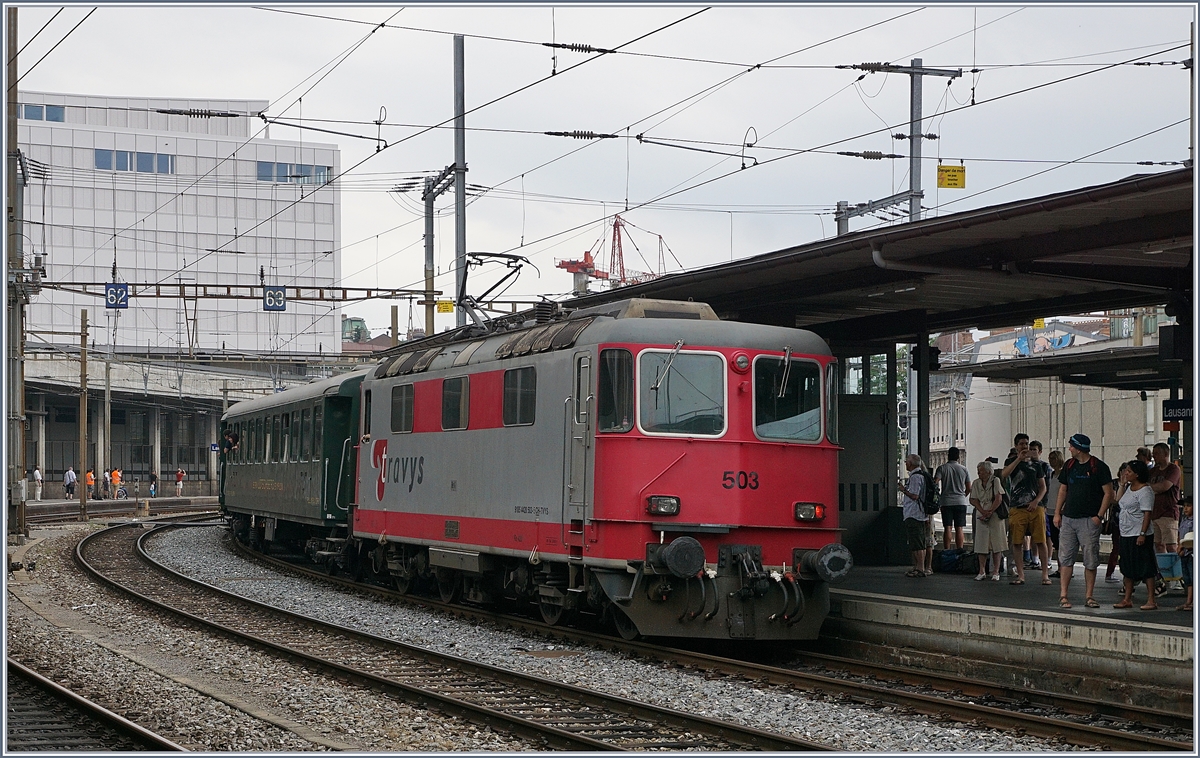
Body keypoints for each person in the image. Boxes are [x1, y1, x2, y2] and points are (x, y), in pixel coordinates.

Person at [1053, 433, 1114, 609]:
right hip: (1069, 518)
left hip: (1089, 519)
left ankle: (1089, 595)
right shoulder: (1069, 465)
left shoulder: (1099, 467)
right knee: (1066, 557)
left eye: (1072, 446)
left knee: (1090, 558)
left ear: (1079, 448)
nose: (1069, 449)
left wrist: (1099, 516)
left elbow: (1108, 493)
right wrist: (1057, 513)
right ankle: (1063, 595)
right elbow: (1063, 490)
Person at [1002, 434, 1049, 585]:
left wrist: (1036, 501)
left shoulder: (1036, 464)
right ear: (1016, 446)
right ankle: (1020, 575)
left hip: (1035, 507)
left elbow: (1043, 486)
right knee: (1017, 542)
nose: (1024, 446)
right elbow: (1004, 474)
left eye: (1026, 443)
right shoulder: (1011, 461)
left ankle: (1045, 575)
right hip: (1017, 506)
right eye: (1021, 444)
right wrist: (1018, 459)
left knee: (1040, 540)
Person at [1112, 460, 1158, 610]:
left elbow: (1147, 514)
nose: (1126, 473)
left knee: (1146, 566)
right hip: (1126, 532)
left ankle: (1151, 599)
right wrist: (1122, 485)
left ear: (1137, 474)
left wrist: (1142, 533)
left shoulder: (1145, 491)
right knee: (1127, 566)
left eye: (1129, 471)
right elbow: (1118, 501)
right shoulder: (1129, 488)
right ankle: (1127, 598)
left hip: (1138, 532)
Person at [970, 460, 1007, 581]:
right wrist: (982, 511)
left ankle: (996, 571)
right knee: (981, 544)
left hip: (995, 514)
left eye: (981, 471)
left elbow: (998, 498)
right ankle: (982, 571)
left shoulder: (995, 481)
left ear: (988, 472)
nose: (979, 473)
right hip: (981, 512)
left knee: (997, 544)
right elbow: (973, 499)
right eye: (978, 471)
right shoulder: (976, 483)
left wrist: (990, 511)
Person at [899, 454, 931, 577]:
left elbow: (915, 495)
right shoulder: (921, 475)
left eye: (907, 461)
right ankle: (918, 567)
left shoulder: (916, 477)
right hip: (918, 513)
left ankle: (920, 568)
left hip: (914, 513)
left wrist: (903, 490)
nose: (905, 463)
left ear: (911, 464)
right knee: (917, 542)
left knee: (917, 543)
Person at [1148, 442, 1182, 559]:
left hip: (1168, 512)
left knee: (1171, 545)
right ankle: (1162, 568)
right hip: (1154, 512)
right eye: (1153, 453)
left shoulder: (1173, 469)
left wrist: (1151, 487)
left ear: (1166, 453)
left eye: (1157, 453)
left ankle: (1174, 568)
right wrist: (1154, 488)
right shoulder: (1152, 471)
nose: (1154, 456)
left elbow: (1164, 486)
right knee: (1158, 545)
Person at [935, 446, 971, 551]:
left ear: (948, 455)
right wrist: (963, 495)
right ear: (958, 457)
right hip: (960, 501)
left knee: (947, 527)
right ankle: (960, 550)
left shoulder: (942, 468)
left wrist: (938, 495)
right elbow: (969, 487)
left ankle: (947, 550)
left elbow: (935, 482)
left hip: (946, 501)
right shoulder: (964, 469)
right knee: (959, 528)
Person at [1104, 463, 1129, 583]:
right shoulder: (1114, 483)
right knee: (1116, 547)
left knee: (1126, 548)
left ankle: (1127, 573)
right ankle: (1110, 572)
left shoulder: (1131, 485)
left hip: (1128, 520)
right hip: (1116, 519)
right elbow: (1115, 500)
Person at [1045, 449, 1066, 577]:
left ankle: (1064, 568)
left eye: (1053, 458)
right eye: (1050, 459)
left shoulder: (1063, 475)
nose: (1051, 461)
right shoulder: (1051, 474)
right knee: (1055, 540)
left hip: (1060, 510)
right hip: (1050, 509)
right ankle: (1059, 568)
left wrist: (1063, 507)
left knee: (1062, 540)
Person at [1178, 496, 1193, 612]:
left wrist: (1184, 547)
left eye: (1188, 506)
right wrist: (1179, 546)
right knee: (1188, 579)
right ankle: (1189, 601)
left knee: (1193, 577)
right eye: (1184, 506)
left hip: (1191, 552)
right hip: (1184, 553)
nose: (1185, 508)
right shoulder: (1184, 520)